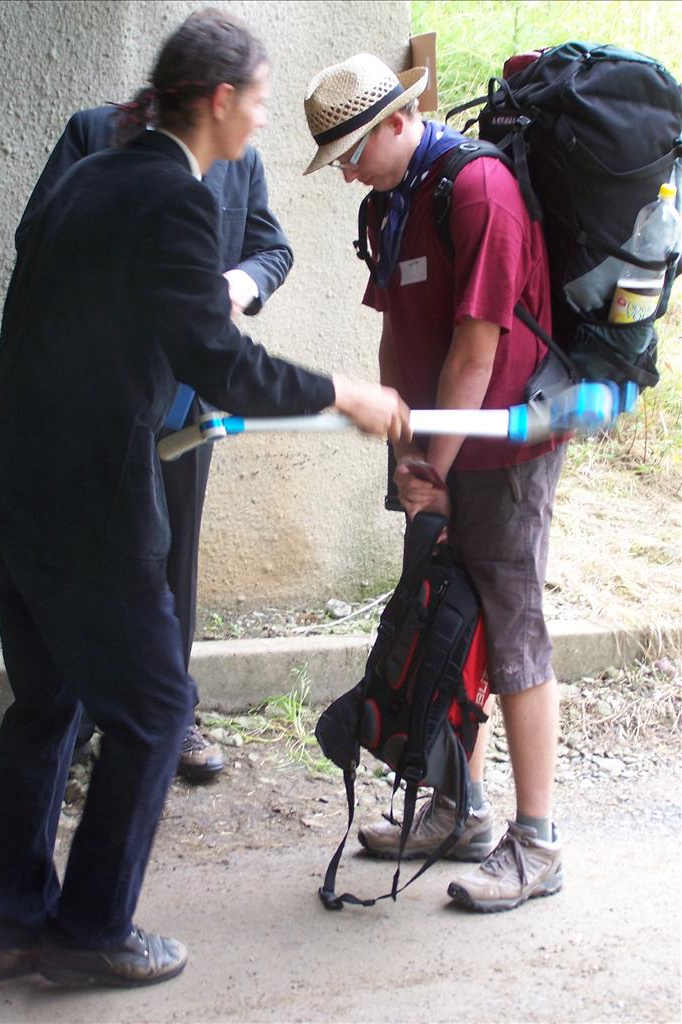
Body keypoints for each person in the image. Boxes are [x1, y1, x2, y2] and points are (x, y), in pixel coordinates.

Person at [0, 15, 409, 988]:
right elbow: (219, 359)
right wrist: (345, 393)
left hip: (13, 487)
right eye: (262, 99)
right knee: (157, 710)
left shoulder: (94, 175)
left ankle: (15, 924)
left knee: (46, 707)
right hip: (87, 502)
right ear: (221, 99)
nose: (265, 118)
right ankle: (89, 930)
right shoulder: (172, 196)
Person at [303, 53, 567, 913]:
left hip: (501, 449)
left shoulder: (477, 190)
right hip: (436, 454)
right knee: (442, 616)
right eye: (336, 161)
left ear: (396, 122)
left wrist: (433, 469)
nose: (346, 172)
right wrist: (406, 454)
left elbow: (476, 351)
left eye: (351, 152)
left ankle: (538, 843)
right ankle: (460, 810)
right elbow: (398, 336)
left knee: (513, 629)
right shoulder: (390, 201)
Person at [16, 104, 296, 783]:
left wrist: (239, 283)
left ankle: (170, 715)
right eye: (250, 99)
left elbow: (273, 249)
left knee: (171, 558)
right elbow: (36, 236)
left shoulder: (241, 159)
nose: (259, 118)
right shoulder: (93, 133)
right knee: (83, 551)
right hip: (93, 399)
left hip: (185, 401)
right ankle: (74, 718)